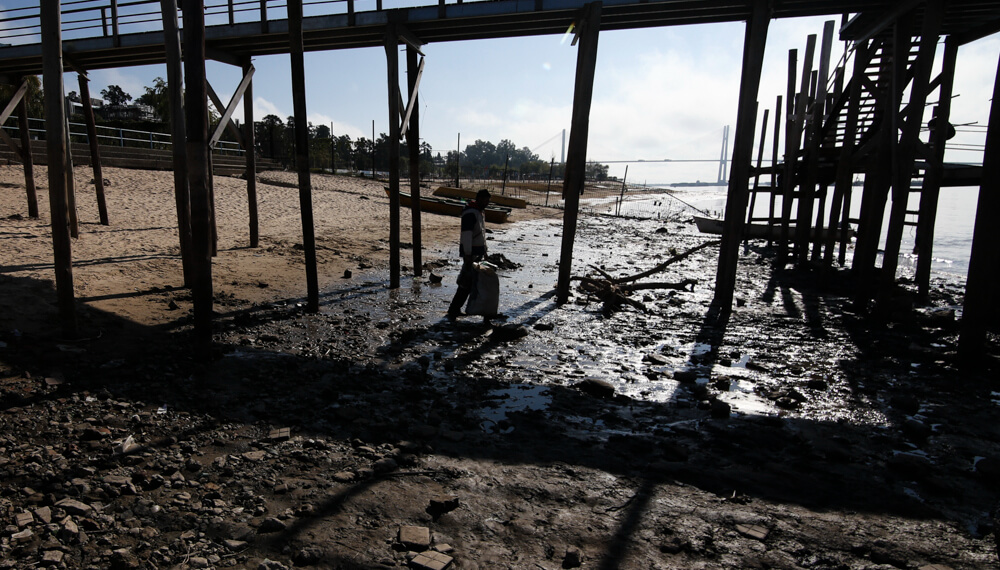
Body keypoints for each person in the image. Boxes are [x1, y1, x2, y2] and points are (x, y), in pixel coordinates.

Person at [447, 189, 491, 320]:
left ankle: (457, 309)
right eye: (485, 200)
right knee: (466, 283)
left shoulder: (478, 212)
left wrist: (485, 251)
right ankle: (454, 309)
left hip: (477, 252)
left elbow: (481, 234)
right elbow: (467, 235)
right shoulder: (471, 213)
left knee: (470, 282)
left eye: (488, 200)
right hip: (471, 254)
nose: (487, 203)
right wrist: (467, 254)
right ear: (479, 199)